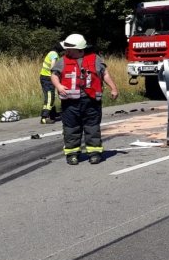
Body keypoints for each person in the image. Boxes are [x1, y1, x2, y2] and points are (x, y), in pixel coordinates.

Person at [51, 34, 119, 165]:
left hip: (91, 100)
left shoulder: (95, 59)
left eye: (69, 49)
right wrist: (59, 86)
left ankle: (94, 153)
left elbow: (104, 74)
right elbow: (54, 75)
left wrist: (113, 88)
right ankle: (72, 154)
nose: (67, 51)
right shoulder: (62, 61)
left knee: (92, 127)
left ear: (78, 49)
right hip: (70, 102)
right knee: (71, 128)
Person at [39, 41, 64, 124]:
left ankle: (52, 114)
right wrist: (55, 74)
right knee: (50, 97)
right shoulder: (54, 54)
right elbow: (53, 66)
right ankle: (44, 117)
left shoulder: (52, 52)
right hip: (47, 78)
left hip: (45, 77)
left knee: (51, 95)